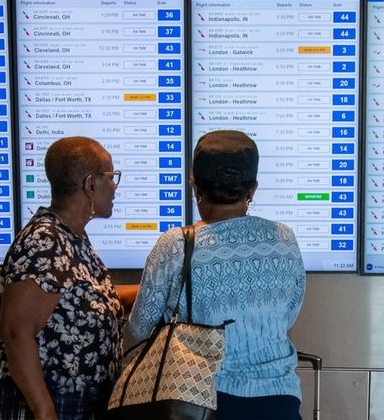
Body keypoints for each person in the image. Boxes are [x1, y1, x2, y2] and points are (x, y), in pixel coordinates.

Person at [127, 130, 306, 420]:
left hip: (200, 401)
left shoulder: (176, 244)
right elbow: (289, 313)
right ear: (252, 190)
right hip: (279, 400)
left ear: (194, 183)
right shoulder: (283, 238)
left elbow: (139, 326)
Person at [0, 136, 138, 420]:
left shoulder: (71, 236)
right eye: (111, 176)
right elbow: (16, 333)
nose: (115, 186)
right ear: (90, 184)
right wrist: (45, 411)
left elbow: (89, 298)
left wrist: (159, 288)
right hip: (47, 408)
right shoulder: (44, 241)